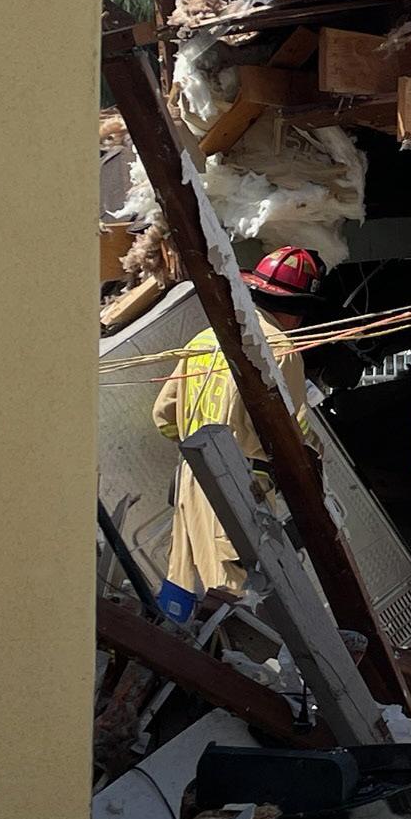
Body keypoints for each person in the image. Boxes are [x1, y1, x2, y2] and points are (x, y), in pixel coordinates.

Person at [151, 246, 326, 619]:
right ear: (297, 308)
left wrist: (195, 439)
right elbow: (292, 437)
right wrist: (316, 453)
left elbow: (162, 417)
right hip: (240, 491)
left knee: (183, 600)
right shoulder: (280, 350)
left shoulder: (204, 339)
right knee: (234, 610)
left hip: (190, 483)